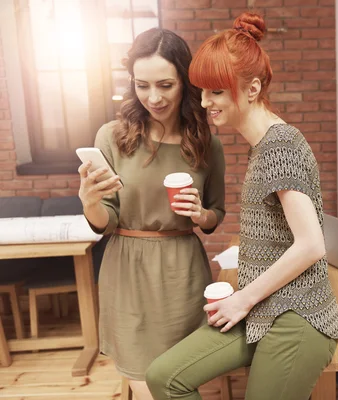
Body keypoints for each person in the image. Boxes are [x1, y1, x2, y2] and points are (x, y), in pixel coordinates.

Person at [145, 11, 338, 400]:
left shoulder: (279, 146)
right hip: (263, 307)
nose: (205, 102)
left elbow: (311, 244)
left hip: (297, 315)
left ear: (251, 89)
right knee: (164, 377)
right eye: (202, 91)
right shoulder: (263, 144)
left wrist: (243, 297)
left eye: (216, 92)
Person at [78, 28, 226, 400]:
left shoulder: (207, 143)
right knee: (147, 383)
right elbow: (106, 221)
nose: (154, 97)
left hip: (183, 271)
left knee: (177, 377)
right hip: (128, 270)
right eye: (142, 86)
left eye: (165, 85)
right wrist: (90, 202)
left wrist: (199, 213)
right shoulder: (112, 137)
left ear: (184, 82)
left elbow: (216, 215)